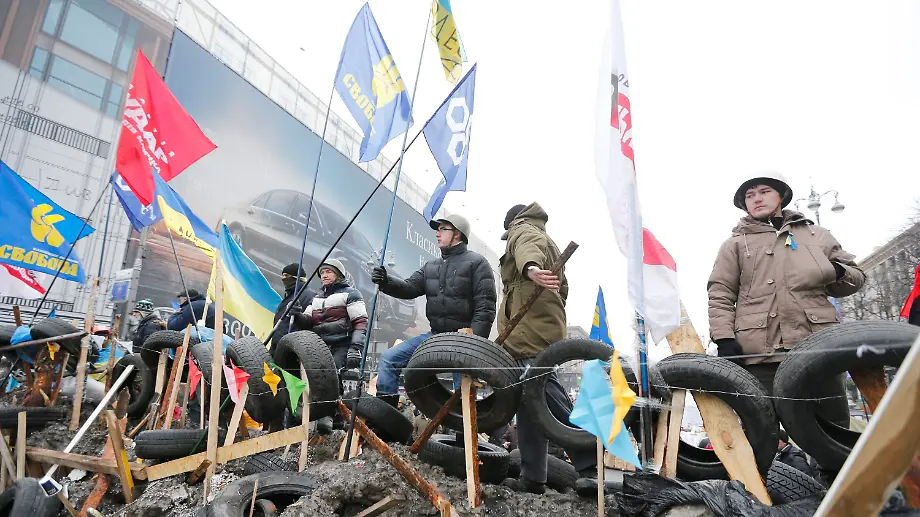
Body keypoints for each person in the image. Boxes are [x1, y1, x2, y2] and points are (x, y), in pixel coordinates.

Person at [708, 172, 865, 423]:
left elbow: (856, 278)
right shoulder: (735, 244)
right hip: (760, 354)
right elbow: (720, 293)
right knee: (762, 428)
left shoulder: (816, 235)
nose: (757, 199)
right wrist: (724, 340)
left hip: (817, 346)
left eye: (764, 192)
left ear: (781, 196)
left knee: (831, 428)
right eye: (750, 195)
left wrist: (833, 271)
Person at [496, 202, 597, 495]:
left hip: (528, 330)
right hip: (535, 326)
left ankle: (590, 463)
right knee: (530, 406)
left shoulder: (523, 228)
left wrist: (531, 269)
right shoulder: (544, 236)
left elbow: (527, 248)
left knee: (544, 394)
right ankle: (533, 477)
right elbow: (563, 289)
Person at [370, 214, 496, 408]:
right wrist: (386, 282)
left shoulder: (477, 263)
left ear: (457, 234)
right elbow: (409, 288)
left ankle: (462, 426)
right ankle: (385, 415)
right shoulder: (431, 266)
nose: (437, 233)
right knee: (389, 359)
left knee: (462, 389)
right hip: (434, 336)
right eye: (437, 230)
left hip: (463, 339)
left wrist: (472, 344)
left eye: (442, 229)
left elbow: (485, 307)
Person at [294, 258, 368, 433]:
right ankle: (330, 417)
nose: (324, 275)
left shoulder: (352, 294)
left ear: (339, 274)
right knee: (316, 378)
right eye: (322, 272)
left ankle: (330, 416)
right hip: (319, 345)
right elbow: (307, 320)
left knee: (331, 375)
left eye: (329, 271)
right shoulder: (317, 298)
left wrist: (355, 348)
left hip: (342, 344)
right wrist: (296, 314)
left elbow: (360, 322)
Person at [272, 263, 317, 349]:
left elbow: (309, 323)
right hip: (277, 346)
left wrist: (298, 315)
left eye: (286, 275)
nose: (283, 278)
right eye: (282, 275)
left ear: (296, 277)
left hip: (291, 348)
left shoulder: (310, 295)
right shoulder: (288, 296)